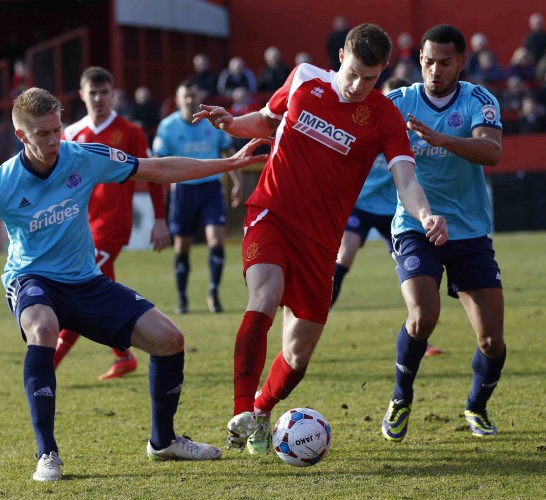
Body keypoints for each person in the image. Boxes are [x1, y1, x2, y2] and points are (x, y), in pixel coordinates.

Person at [0, 87, 269, 481]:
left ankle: (163, 442)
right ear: (21, 136)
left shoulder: (82, 156)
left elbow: (159, 169)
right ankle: (47, 455)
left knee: (170, 339)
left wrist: (229, 164)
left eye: (56, 129)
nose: (53, 141)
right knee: (43, 329)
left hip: (85, 282)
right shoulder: (3, 183)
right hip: (32, 280)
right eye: (42, 134)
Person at [193, 23, 448, 455]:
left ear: (383, 72)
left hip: (320, 241)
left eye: (370, 78)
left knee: (297, 355)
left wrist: (425, 214)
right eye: (352, 73)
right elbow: (267, 121)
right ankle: (241, 412)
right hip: (271, 212)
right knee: (265, 295)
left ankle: (260, 408)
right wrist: (232, 122)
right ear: (342, 57)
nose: (357, 86)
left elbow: (405, 177)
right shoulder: (304, 78)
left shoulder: (383, 115)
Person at [379, 24, 506, 442]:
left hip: (469, 233)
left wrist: (440, 139)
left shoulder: (477, 100)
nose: (435, 70)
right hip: (416, 225)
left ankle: (476, 406)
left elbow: (491, 151)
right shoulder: (399, 101)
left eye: (445, 62)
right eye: (428, 61)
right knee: (422, 316)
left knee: (490, 340)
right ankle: (400, 398)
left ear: (461, 62)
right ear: (420, 60)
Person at [54, 66, 171, 380]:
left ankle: (48, 363)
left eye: (104, 92)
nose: (98, 98)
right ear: (82, 95)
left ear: (113, 94)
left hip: (113, 225)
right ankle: (123, 354)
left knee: (79, 287)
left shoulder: (130, 132)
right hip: (80, 226)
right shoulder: (72, 133)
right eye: (92, 92)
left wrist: (160, 219)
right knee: (98, 286)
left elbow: (156, 173)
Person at [329, 76, 444, 357]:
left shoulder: (412, 135)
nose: (391, 105)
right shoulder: (368, 126)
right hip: (361, 205)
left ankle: (420, 335)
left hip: (394, 210)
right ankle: (316, 315)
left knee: (412, 270)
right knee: (346, 253)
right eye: (387, 98)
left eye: (398, 101)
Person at [153, 80, 243, 315]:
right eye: (186, 96)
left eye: (193, 95)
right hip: (183, 190)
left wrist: (238, 181)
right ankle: (182, 299)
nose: (190, 100)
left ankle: (213, 293)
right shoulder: (168, 126)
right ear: (178, 99)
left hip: (211, 188)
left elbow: (228, 153)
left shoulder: (211, 123)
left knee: (216, 240)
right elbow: (158, 160)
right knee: (182, 246)